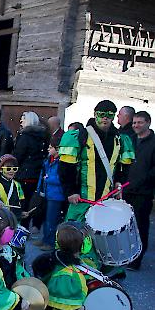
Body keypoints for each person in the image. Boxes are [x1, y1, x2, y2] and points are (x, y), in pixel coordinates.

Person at [58, 100, 134, 276]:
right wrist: (70, 191)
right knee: (75, 236)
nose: (105, 118)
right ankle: (72, 271)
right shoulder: (79, 136)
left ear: (114, 117)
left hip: (105, 200)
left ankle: (100, 272)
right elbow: (65, 168)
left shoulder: (120, 139)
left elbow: (124, 167)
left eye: (109, 115)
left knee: (103, 238)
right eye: (101, 114)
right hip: (82, 198)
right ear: (95, 114)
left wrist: (119, 182)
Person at [123, 111, 154, 271]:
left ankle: (137, 260)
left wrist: (140, 182)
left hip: (143, 193)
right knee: (126, 226)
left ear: (148, 123)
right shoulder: (130, 140)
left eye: (139, 122)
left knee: (140, 226)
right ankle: (126, 255)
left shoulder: (154, 143)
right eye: (134, 122)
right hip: (126, 191)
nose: (135, 125)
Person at [14, 111, 48, 229]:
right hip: (36, 174)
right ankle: (26, 226)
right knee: (29, 201)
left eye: (23, 119)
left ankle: (18, 227)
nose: (20, 121)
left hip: (23, 174)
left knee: (20, 201)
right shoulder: (42, 136)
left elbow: (18, 155)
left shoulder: (24, 136)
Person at [34, 137, 66, 251]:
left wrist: (48, 179)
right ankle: (45, 239)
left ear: (57, 149)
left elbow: (62, 179)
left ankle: (50, 242)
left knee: (51, 220)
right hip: (48, 193)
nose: (48, 149)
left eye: (51, 147)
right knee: (46, 218)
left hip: (56, 195)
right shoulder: (49, 160)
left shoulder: (61, 162)